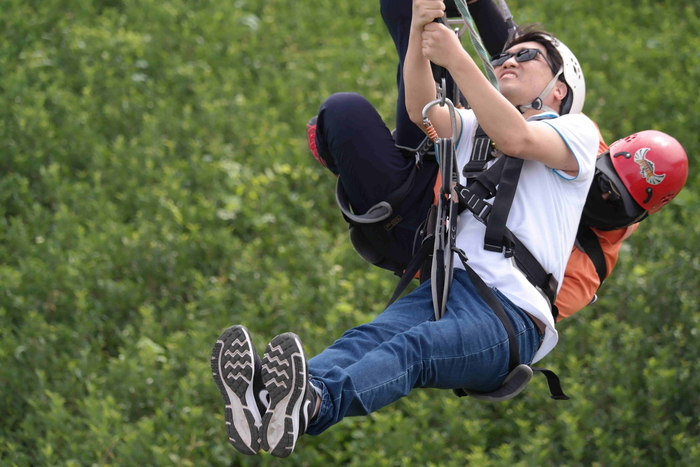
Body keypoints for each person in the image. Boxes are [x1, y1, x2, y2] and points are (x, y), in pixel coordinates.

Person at [212, 0, 602, 457]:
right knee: (368, 338)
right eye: (504, 57)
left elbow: (517, 138)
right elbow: (423, 112)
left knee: (414, 348)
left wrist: (456, 58)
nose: (508, 60)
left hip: (512, 315)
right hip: (450, 286)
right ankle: (266, 404)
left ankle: (310, 403)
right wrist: (419, 36)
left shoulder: (576, 132)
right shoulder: (477, 130)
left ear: (560, 88)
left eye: (527, 55)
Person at [308, 0, 688, 319]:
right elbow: (437, 109)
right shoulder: (541, 129)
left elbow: (525, 314)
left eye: (613, 196)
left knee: (342, 114)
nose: (602, 196)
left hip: (430, 229)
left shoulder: (577, 156)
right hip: (442, 163)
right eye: (605, 181)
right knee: (410, 15)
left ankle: (333, 139)